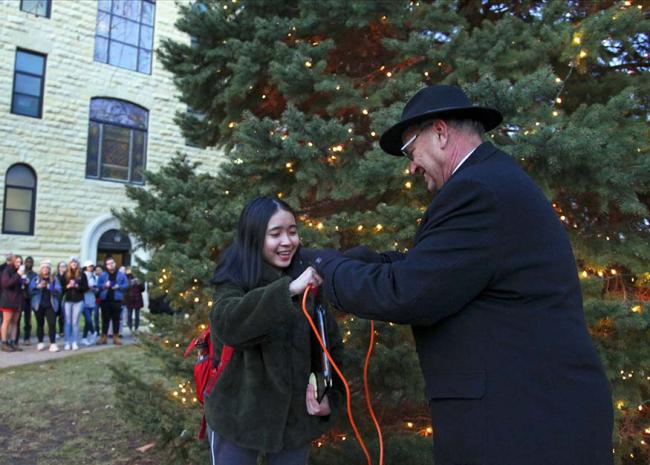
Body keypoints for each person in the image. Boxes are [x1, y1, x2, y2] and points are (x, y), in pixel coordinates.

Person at [307, 85, 614, 465]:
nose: (412, 166)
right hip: (530, 418)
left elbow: (411, 293)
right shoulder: (492, 180)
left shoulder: (476, 191)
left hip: (522, 427)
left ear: (439, 132)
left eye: (409, 151)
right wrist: (368, 261)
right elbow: (441, 269)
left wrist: (327, 268)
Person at [205, 196, 342, 465]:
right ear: (254, 237)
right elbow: (228, 324)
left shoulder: (310, 279)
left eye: (292, 231)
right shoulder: (234, 277)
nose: (287, 241)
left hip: (295, 424)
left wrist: (329, 398)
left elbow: (330, 348)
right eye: (275, 234)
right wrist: (288, 290)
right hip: (237, 419)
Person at [29, 261, 62, 352]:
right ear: (41, 269)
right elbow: (30, 291)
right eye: (43, 268)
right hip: (38, 304)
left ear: (49, 269)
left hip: (51, 304)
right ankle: (40, 342)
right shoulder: (36, 278)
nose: (45, 269)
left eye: (47, 268)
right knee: (40, 324)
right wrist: (38, 286)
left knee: (52, 324)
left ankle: (53, 344)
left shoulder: (54, 279)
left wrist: (49, 287)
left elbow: (59, 291)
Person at [96, 257, 128, 345]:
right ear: (106, 266)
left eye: (112, 263)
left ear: (115, 263)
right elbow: (98, 286)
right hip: (105, 299)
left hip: (116, 300)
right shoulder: (103, 275)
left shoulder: (121, 274)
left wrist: (119, 287)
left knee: (116, 319)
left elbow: (126, 286)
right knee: (105, 319)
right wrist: (104, 286)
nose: (111, 265)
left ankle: (116, 337)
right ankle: (104, 337)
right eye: (108, 264)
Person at [0, 255, 26, 352]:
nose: (18, 264)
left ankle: (12, 342)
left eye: (20, 262)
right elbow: (6, 284)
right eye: (17, 262)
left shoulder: (19, 271)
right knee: (6, 321)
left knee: (15, 322)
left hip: (18, 300)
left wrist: (24, 281)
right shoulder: (7, 270)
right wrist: (18, 275)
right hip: (8, 300)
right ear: (13, 262)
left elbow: (19, 284)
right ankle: (4, 342)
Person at [62, 257, 88, 351]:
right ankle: (67, 342)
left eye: (75, 262)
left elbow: (85, 288)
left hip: (78, 300)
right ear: (69, 263)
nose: (74, 264)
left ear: (77, 263)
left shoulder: (82, 274)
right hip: (68, 300)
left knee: (75, 322)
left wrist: (77, 286)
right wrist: (68, 286)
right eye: (72, 262)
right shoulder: (66, 274)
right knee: (67, 322)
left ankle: (74, 342)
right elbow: (61, 288)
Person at [18, 256, 37, 346]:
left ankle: (27, 337)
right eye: (27, 262)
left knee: (27, 319)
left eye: (30, 262)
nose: (29, 263)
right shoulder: (21, 272)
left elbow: (35, 287)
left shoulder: (34, 275)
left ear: (33, 263)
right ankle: (16, 338)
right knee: (17, 319)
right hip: (19, 298)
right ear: (24, 263)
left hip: (29, 299)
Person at [81, 260, 98, 346]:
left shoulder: (94, 276)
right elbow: (82, 287)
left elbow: (95, 287)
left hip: (91, 299)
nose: (91, 268)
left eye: (92, 266)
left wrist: (95, 289)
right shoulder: (83, 275)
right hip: (84, 300)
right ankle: (94, 332)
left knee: (88, 321)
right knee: (88, 319)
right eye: (89, 266)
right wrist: (88, 288)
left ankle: (84, 338)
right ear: (85, 267)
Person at [124, 267, 144, 334]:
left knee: (137, 315)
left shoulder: (140, 278)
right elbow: (125, 287)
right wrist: (130, 284)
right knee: (129, 314)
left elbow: (143, 289)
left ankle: (136, 328)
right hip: (129, 298)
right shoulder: (127, 277)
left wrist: (139, 283)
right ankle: (130, 328)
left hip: (138, 298)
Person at [55, 261, 67, 336]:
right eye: (61, 266)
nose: (63, 268)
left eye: (64, 266)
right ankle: (54, 331)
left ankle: (61, 331)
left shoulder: (67, 276)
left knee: (62, 315)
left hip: (64, 297)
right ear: (58, 267)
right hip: (56, 297)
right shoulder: (56, 276)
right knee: (55, 314)